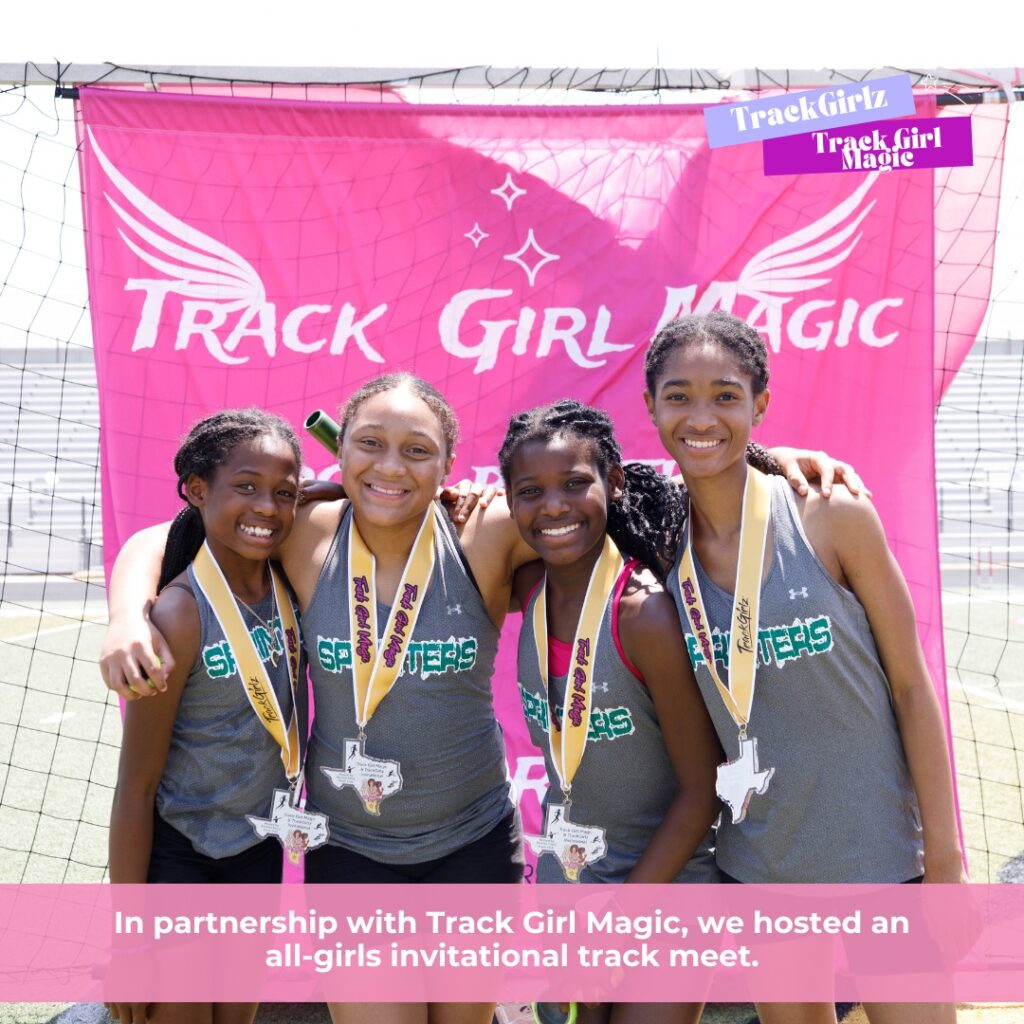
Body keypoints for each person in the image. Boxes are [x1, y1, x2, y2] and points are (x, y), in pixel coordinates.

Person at [100, 372, 863, 1024]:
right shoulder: (305, 530)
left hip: (471, 849)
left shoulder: (488, 533)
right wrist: (126, 616)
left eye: (416, 450)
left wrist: (761, 459)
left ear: (449, 467)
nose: (389, 466)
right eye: (369, 443)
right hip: (353, 856)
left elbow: (600, 488)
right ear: (344, 450)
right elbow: (164, 539)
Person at [644, 312, 964, 1024]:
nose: (702, 416)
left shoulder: (830, 512)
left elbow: (912, 688)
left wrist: (945, 862)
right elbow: (547, 487)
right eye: (679, 396)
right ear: (652, 408)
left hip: (885, 860)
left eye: (726, 395)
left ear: (760, 405)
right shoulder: (653, 537)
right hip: (762, 866)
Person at [502, 399, 722, 1024]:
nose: (554, 506)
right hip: (569, 883)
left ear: (615, 482)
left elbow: (702, 792)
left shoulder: (644, 614)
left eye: (576, 484)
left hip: (663, 885)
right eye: (531, 491)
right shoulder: (524, 589)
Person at [107, 409, 306, 1024]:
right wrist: (128, 938)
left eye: (283, 492)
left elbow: (345, 499)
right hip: (181, 855)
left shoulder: (293, 577)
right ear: (196, 490)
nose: (266, 507)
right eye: (245, 487)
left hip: (257, 849)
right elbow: (136, 788)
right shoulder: (180, 613)